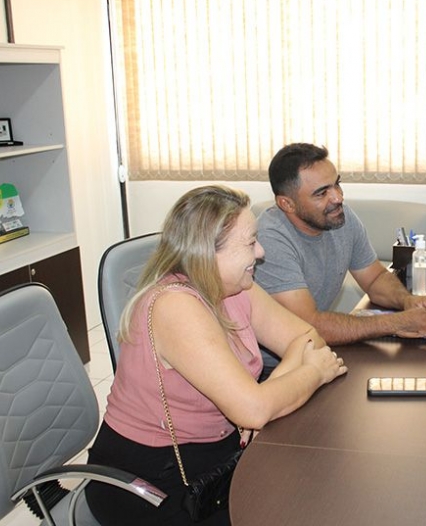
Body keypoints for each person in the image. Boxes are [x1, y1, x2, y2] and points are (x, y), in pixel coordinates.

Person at [86, 185, 347, 525]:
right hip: (149, 477)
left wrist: (265, 399)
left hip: (215, 450)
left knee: (307, 492)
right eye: (250, 242)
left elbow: (305, 337)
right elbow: (255, 409)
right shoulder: (175, 306)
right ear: (207, 253)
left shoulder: (235, 288)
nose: (261, 252)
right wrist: (312, 374)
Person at [253, 142, 426, 348]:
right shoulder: (269, 240)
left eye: (337, 184)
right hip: (273, 366)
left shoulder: (338, 217)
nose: (338, 197)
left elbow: (374, 279)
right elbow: (308, 327)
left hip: (314, 352)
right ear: (287, 204)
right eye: (322, 193)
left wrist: (407, 302)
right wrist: (398, 323)